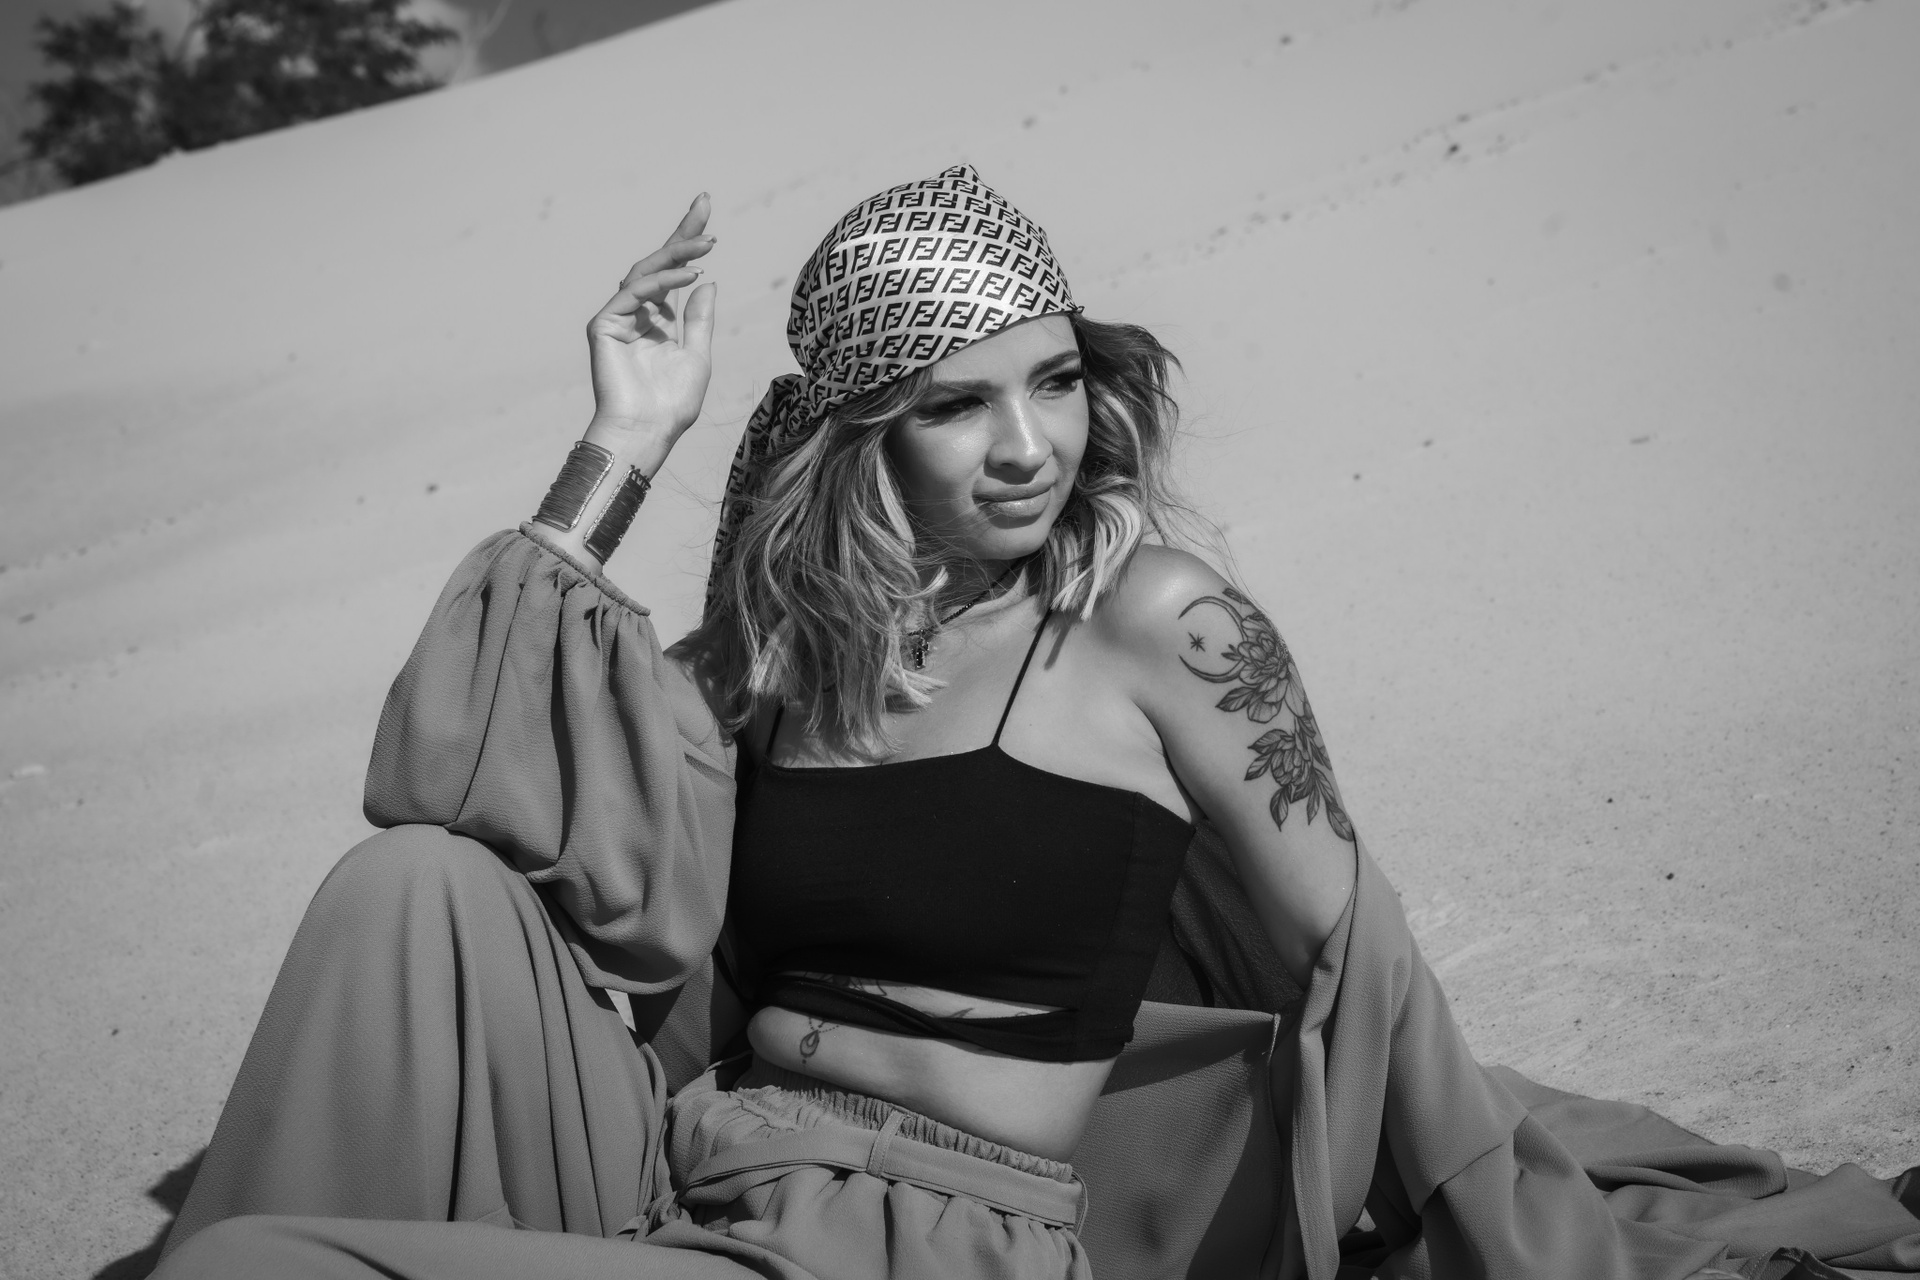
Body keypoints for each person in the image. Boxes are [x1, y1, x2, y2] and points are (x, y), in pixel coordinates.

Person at [153, 166, 1917, 1280]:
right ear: (861, 440)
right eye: (960, 405)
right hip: (697, 1176)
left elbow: (1352, 961)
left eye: (1058, 380)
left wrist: (1503, 1224)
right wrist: (625, 442)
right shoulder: (771, 662)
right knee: (412, 889)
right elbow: (459, 779)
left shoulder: (1156, 626)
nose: (1031, 446)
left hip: (931, 1239)